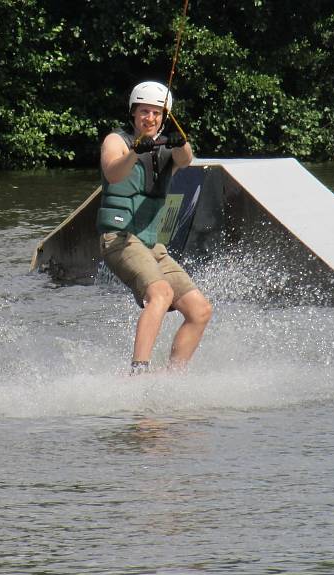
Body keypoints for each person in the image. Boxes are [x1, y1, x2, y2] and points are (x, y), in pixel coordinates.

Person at [98, 81, 213, 374]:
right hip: (119, 240)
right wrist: (136, 151)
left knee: (200, 310)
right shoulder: (117, 141)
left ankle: (172, 378)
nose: (150, 118)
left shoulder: (168, 148)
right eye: (144, 112)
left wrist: (179, 140)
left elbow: (186, 160)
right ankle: (139, 372)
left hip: (153, 247)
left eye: (156, 113)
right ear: (134, 114)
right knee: (160, 292)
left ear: (164, 117)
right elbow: (113, 173)